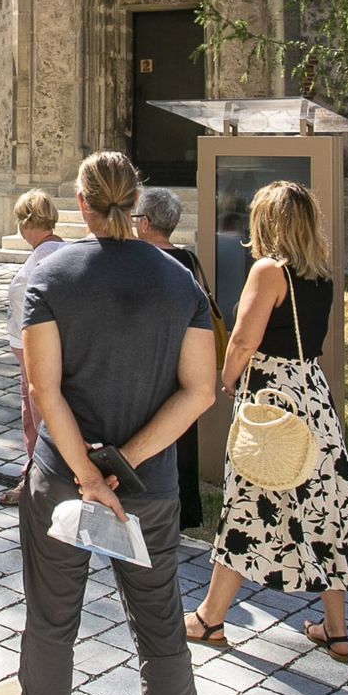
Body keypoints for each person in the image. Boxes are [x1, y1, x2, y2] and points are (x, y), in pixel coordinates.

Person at [0, 151, 217, 695]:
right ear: (137, 203)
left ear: (81, 205)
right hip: (146, 488)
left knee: (52, 624)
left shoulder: (51, 273)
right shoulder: (179, 282)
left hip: (62, 479)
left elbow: (43, 388)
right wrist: (128, 463)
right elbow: (201, 390)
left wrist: (88, 474)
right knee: (160, 634)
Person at [187, 181, 348, 659]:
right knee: (326, 504)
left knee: (248, 499)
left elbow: (243, 339)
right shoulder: (321, 272)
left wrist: (225, 379)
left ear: (267, 222)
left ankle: (211, 618)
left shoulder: (268, 271)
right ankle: (335, 630)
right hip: (312, 394)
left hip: (271, 395)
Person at [135, 186, 218, 530]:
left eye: (138, 216)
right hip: (188, 359)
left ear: (147, 222)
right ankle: (185, 512)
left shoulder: (142, 261)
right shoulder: (190, 260)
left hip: (153, 364)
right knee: (183, 435)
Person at [0, 189, 65, 504]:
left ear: (26, 224)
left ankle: (37, 481)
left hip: (38, 357)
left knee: (38, 422)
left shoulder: (38, 263)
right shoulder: (63, 253)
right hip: (57, 354)